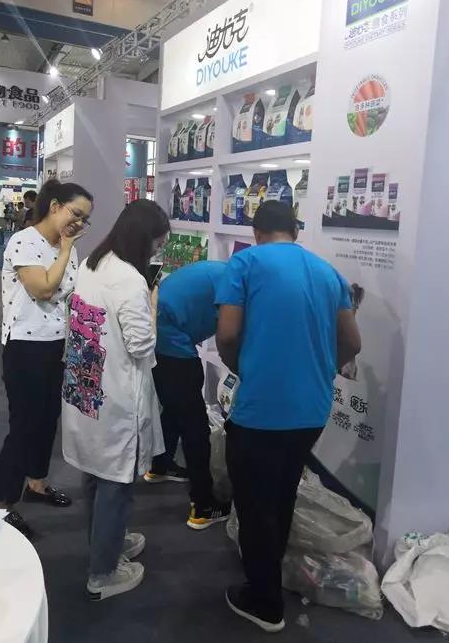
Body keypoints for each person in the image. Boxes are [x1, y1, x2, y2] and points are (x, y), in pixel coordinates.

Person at [216, 201, 362, 633]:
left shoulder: (245, 263)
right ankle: (270, 574)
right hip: (311, 409)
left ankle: (264, 601)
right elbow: (352, 343)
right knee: (282, 493)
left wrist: (240, 366)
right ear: (295, 231)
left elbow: (227, 332)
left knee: (255, 502)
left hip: (262, 407)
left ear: (256, 232)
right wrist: (323, 368)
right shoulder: (327, 272)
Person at [61, 200, 170, 602]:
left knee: (96, 471)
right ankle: (103, 573)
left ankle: (105, 541)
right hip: (116, 397)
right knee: (115, 482)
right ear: (143, 239)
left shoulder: (94, 263)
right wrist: (153, 305)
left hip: (88, 390)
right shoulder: (129, 279)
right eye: (157, 243)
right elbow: (140, 345)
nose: (158, 251)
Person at [0, 178, 94, 539]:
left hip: (57, 346)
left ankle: (37, 482)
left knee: (48, 418)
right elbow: (44, 289)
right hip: (24, 347)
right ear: (55, 206)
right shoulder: (24, 241)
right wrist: (66, 248)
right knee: (25, 424)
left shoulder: (66, 248)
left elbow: (70, 294)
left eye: (84, 219)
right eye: (75, 214)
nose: (79, 223)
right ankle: (2, 504)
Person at [144, 260, 231, 530]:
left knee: (173, 407)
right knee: (195, 426)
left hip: (157, 336)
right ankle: (203, 505)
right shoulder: (235, 284)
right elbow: (229, 335)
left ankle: (160, 465)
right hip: (171, 342)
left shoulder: (222, 272)